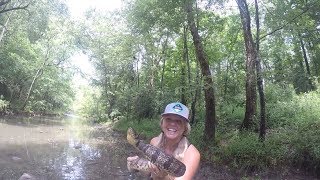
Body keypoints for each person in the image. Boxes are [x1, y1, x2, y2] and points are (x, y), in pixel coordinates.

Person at [127, 102, 200, 180]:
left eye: (178, 121)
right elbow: (149, 172)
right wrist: (134, 165)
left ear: (185, 127)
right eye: (168, 119)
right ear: (162, 123)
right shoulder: (154, 141)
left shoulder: (192, 153)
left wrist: (164, 176)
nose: (172, 123)